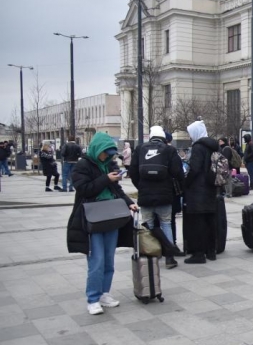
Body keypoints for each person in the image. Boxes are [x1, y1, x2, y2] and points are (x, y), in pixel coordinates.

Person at [67, 132, 138, 315]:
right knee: (96, 260)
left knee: (109, 260)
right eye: (105, 153)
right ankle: (92, 298)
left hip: (111, 216)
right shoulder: (82, 166)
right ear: (98, 149)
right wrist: (106, 179)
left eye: (111, 153)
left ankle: (104, 293)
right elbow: (85, 189)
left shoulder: (110, 165)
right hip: (93, 218)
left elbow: (117, 190)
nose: (108, 156)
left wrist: (129, 202)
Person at [130, 126, 185, 269]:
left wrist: (141, 187)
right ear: (164, 138)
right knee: (166, 223)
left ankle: (151, 254)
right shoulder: (169, 150)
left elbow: (133, 172)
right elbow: (177, 172)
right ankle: (170, 257)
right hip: (165, 194)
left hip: (145, 195)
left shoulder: (140, 149)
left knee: (149, 225)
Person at [183, 122, 219, 263]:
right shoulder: (214, 146)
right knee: (210, 220)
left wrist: (186, 183)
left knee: (198, 222)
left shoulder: (198, 147)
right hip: (211, 188)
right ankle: (211, 251)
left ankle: (199, 254)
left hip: (198, 190)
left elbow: (195, 169)